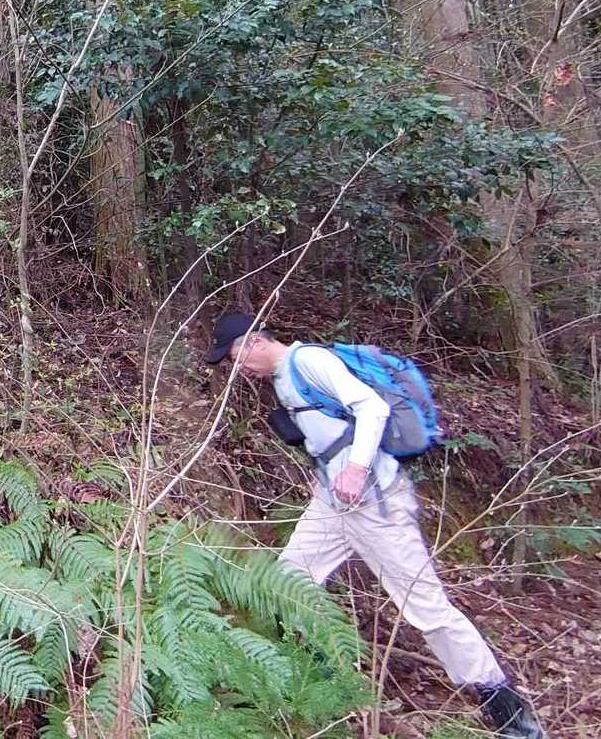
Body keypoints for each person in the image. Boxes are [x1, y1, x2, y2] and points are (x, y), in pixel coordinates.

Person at [205, 312, 547, 739]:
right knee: (287, 581)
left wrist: (355, 469)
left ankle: (505, 708)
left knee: (427, 610)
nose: (238, 367)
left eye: (236, 356)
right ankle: (325, 681)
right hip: (333, 504)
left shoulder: (309, 361)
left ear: (255, 341)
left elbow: (372, 407)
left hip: (376, 504)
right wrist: (330, 476)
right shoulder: (282, 377)